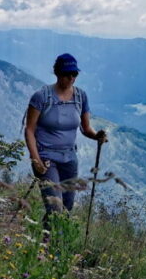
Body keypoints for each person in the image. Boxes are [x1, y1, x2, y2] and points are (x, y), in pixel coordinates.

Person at [24, 53, 107, 227]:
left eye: (74, 74)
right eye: (67, 74)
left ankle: (48, 243)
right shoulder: (42, 97)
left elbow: (85, 128)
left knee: (66, 208)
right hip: (46, 158)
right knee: (55, 207)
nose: (71, 78)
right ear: (57, 73)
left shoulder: (80, 97)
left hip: (69, 158)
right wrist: (35, 159)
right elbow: (30, 130)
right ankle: (48, 248)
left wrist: (96, 136)